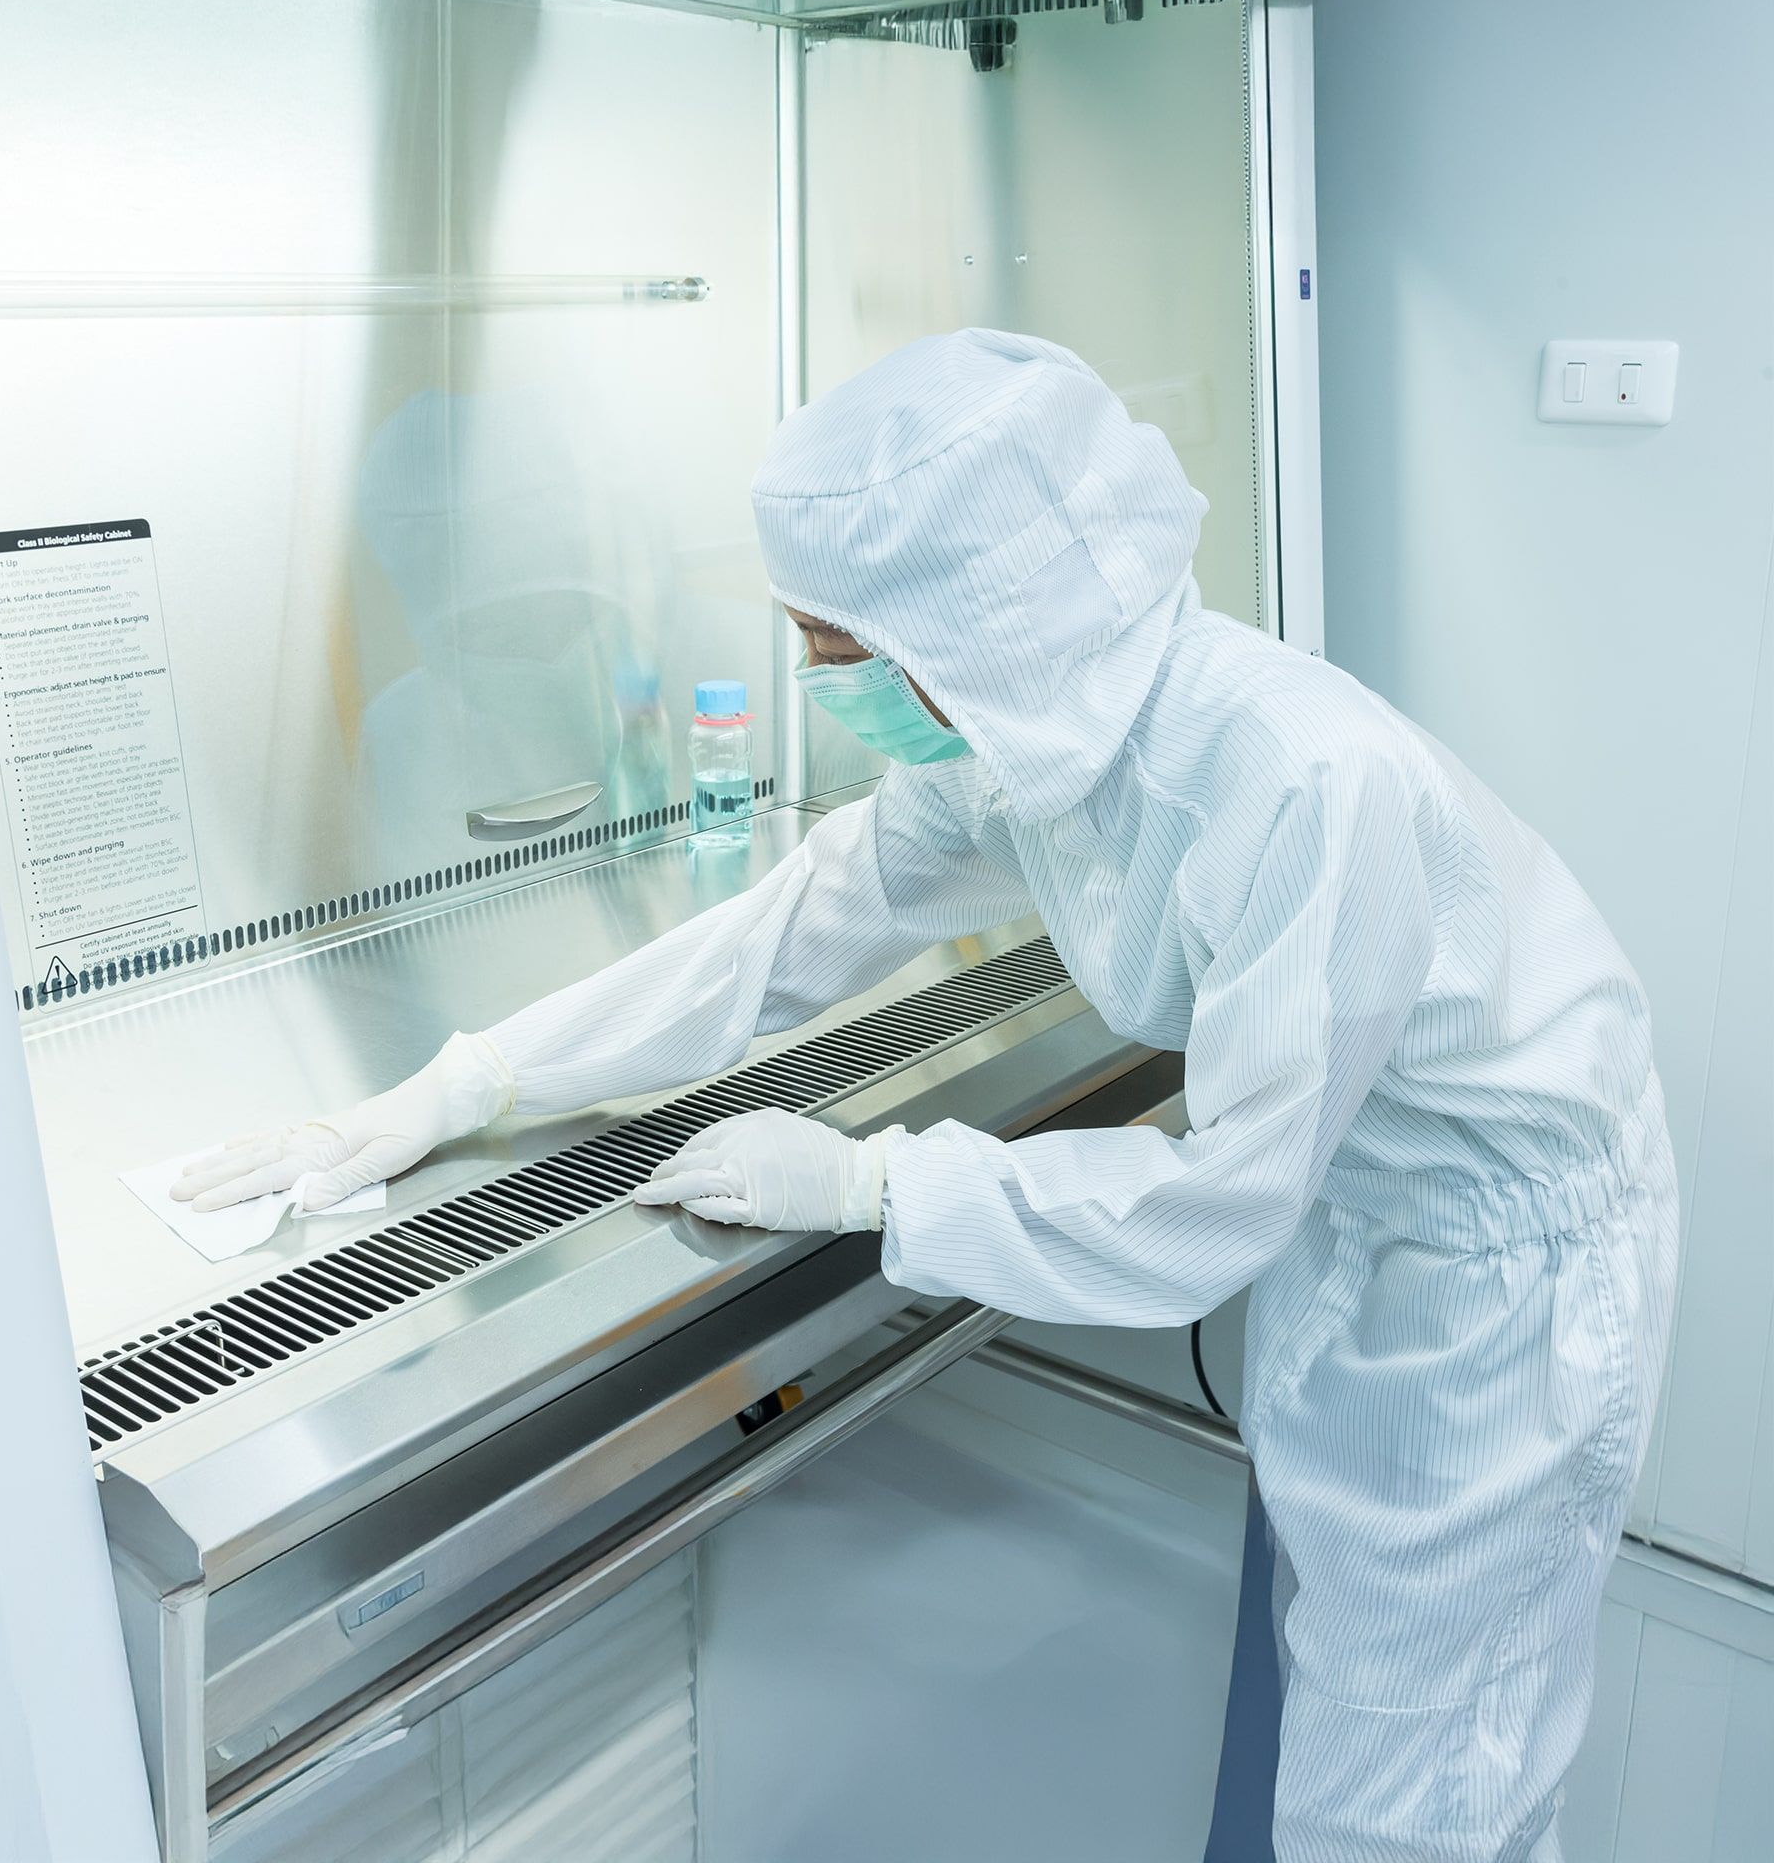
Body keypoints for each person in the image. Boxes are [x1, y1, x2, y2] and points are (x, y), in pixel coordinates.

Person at [172, 329, 1676, 1862]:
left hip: (1500, 1280)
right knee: (1362, 1703)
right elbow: (801, 920)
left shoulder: (1299, 782)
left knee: (1427, 1791)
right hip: (1362, 1225)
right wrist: (475, 1079)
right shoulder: (1042, 741)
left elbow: (1221, 1203)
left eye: (838, 642)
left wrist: (877, 1185)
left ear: (979, 618)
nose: (819, 676)